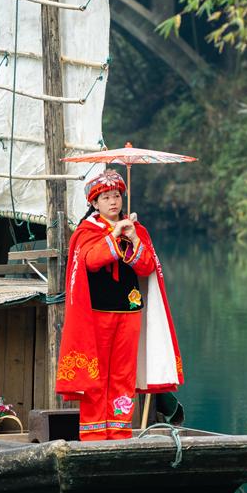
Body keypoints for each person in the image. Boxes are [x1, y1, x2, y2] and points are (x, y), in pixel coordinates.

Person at [56, 169, 183, 441]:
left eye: (116, 196)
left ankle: (119, 430)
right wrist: (114, 235)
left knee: (124, 374)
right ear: (94, 203)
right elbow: (91, 261)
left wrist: (133, 238)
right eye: (106, 197)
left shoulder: (135, 229)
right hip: (97, 314)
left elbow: (147, 265)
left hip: (129, 312)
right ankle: (93, 434)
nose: (113, 202)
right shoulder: (86, 231)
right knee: (96, 373)